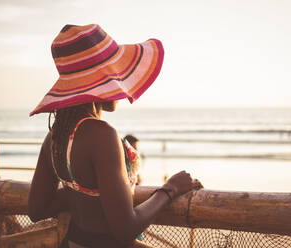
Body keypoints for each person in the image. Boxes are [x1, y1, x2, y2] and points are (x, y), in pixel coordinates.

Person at [28, 24, 202, 248]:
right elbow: (125, 229)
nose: (120, 81)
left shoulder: (54, 137)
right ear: (99, 82)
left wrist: (80, 198)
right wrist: (170, 189)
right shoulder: (102, 136)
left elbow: (37, 210)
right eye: (115, 72)